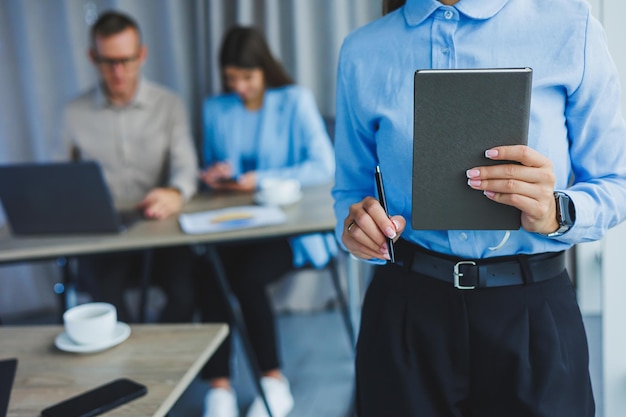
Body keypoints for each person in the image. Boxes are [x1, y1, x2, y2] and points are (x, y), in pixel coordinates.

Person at [332, 1, 626, 416]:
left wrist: (557, 210)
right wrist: (355, 227)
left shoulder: (571, 28)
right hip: (405, 316)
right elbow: (350, 188)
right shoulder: (362, 51)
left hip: (532, 316)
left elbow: (617, 181)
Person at [198, 26, 335, 417]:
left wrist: (263, 180)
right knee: (208, 271)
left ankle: (273, 381)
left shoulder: (294, 101)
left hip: (286, 230)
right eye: (231, 78)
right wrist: (213, 175)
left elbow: (323, 165)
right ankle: (219, 387)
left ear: (264, 70)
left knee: (245, 279)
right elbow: (211, 164)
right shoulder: (215, 109)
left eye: (246, 77)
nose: (239, 86)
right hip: (235, 225)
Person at [63, 11, 199, 323]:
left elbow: (186, 166)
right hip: (103, 234)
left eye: (126, 60)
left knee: (186, 292)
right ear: (92, 57)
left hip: (160, 227)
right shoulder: (72, 113)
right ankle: (125, 366)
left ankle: (159, 364)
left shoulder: (169, 104)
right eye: (108, 61)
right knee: (105, 301)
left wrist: (175, 192)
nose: (118, 71)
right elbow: (57, 181)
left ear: (142, 55)